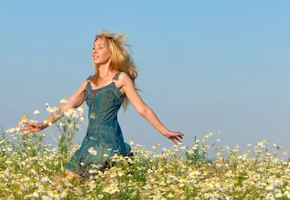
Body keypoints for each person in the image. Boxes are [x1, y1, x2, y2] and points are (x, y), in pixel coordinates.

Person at [21, 30, 183, 179]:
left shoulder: (120, 79)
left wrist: (165, 132)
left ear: (111, 53)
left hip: (108, 140)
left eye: (100, 47)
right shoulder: (89, 82)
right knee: (87, 185)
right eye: (93, 48)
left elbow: (143, 109)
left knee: (67, 181)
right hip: (90, 141)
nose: (94, 51)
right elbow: (67, 105)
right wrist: (44, 124)